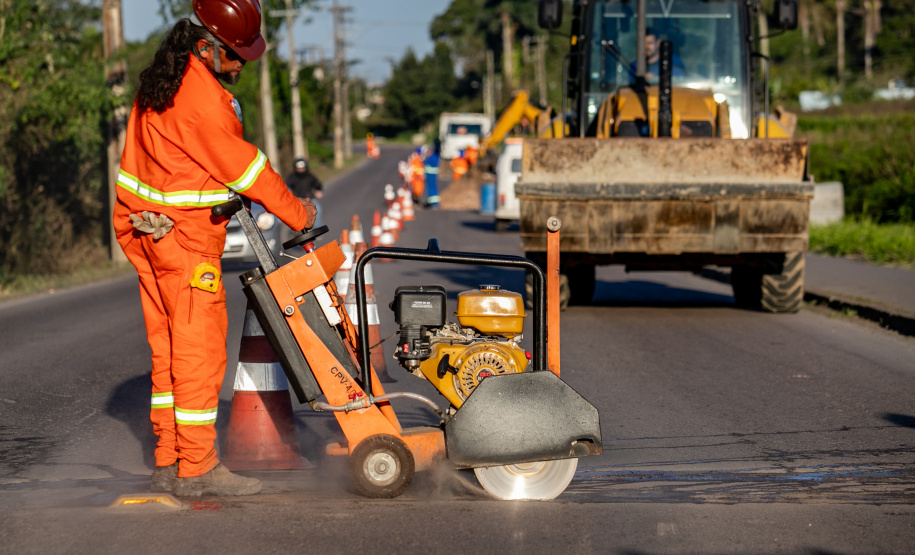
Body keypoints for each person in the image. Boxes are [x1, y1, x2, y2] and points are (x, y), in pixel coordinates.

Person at [113, 0, 316, 497]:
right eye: (236, 54)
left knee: (168, 351)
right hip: (183, 239)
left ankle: (169, 457)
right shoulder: (203, 99)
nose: (241, 63)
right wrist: (300, 214)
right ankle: (198, 469)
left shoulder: (160, 83)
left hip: (146, 231)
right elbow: (245, 169)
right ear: (206, 46)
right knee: (199, 351)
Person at [286, 158, 323, 228]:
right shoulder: (291, 177)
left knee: (317, 210)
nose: (301, 170)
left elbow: (317, 184)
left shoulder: (310, 176)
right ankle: (294, 231)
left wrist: (319, 190)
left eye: (302, 168)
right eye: (299, 168)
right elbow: (287, 188)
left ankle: (316, 228)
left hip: (310, 199)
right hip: (296, 201)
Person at [423, 139, 441, 208]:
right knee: (431, 188)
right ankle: (432, 202)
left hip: (431, 174)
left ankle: (434, 203)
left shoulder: (433, 156)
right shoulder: (434, 156)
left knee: (432, 188)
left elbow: (428, 164)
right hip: (430, 174)